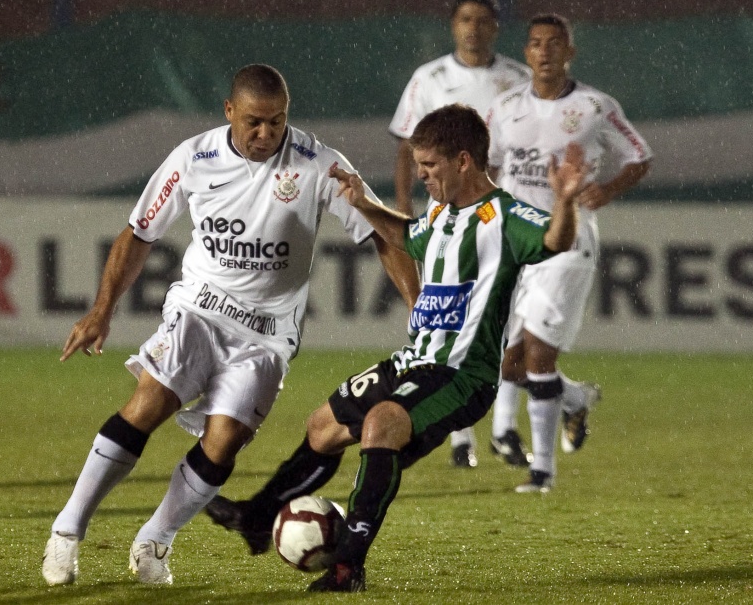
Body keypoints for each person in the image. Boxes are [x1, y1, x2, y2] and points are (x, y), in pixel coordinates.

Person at [40, 63, 420, 587]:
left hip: (268, 334)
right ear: (229, 113)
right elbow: (138, 233)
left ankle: (154, 540)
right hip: (200, 307)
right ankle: (66, 531)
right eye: (254, 123)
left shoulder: (319, 164)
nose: (266, 134)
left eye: (277, 122)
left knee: (225, 440)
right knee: (148, 404)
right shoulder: (193, 158)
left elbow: (381, 233)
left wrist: (419, 306)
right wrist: (102, 310)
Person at [206, 104, 587, 592]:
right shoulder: (442, 212)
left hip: (461, 376)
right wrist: (363, 204)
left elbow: (555, 240)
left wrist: (567, 201)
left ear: (464, 161)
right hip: (416, 360)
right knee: (322, 426)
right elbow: (408, 236)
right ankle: (258, 518)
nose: (421, 175)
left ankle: (348, 567)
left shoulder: (505, 216)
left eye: (429, 166)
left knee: (381, 423)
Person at [485, 14, 653, 493]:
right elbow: (492, 167)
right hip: (516, 245)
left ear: (569, 53)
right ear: (527, 51)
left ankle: (543, 473)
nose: (544, 52)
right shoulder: (505, 107)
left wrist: (608, 189)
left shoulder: (595, 106)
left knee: (537, 355)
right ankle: (574, 398)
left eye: (554, 44)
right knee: (509, 363)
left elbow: (640, 154)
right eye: (535, 44)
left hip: (568, 242)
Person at [389, 0, 531, 469]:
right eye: (465, 18)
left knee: (506, 322)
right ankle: (461, 438)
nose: (474, 27)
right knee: (448, 318)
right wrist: (406, 202)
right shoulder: (428, 79)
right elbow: (410, 146)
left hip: (497, 217)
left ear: (495, 27)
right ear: (454, 25)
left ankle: (506, 426)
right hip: (447, 217)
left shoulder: (518, 79)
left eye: (483, 19)